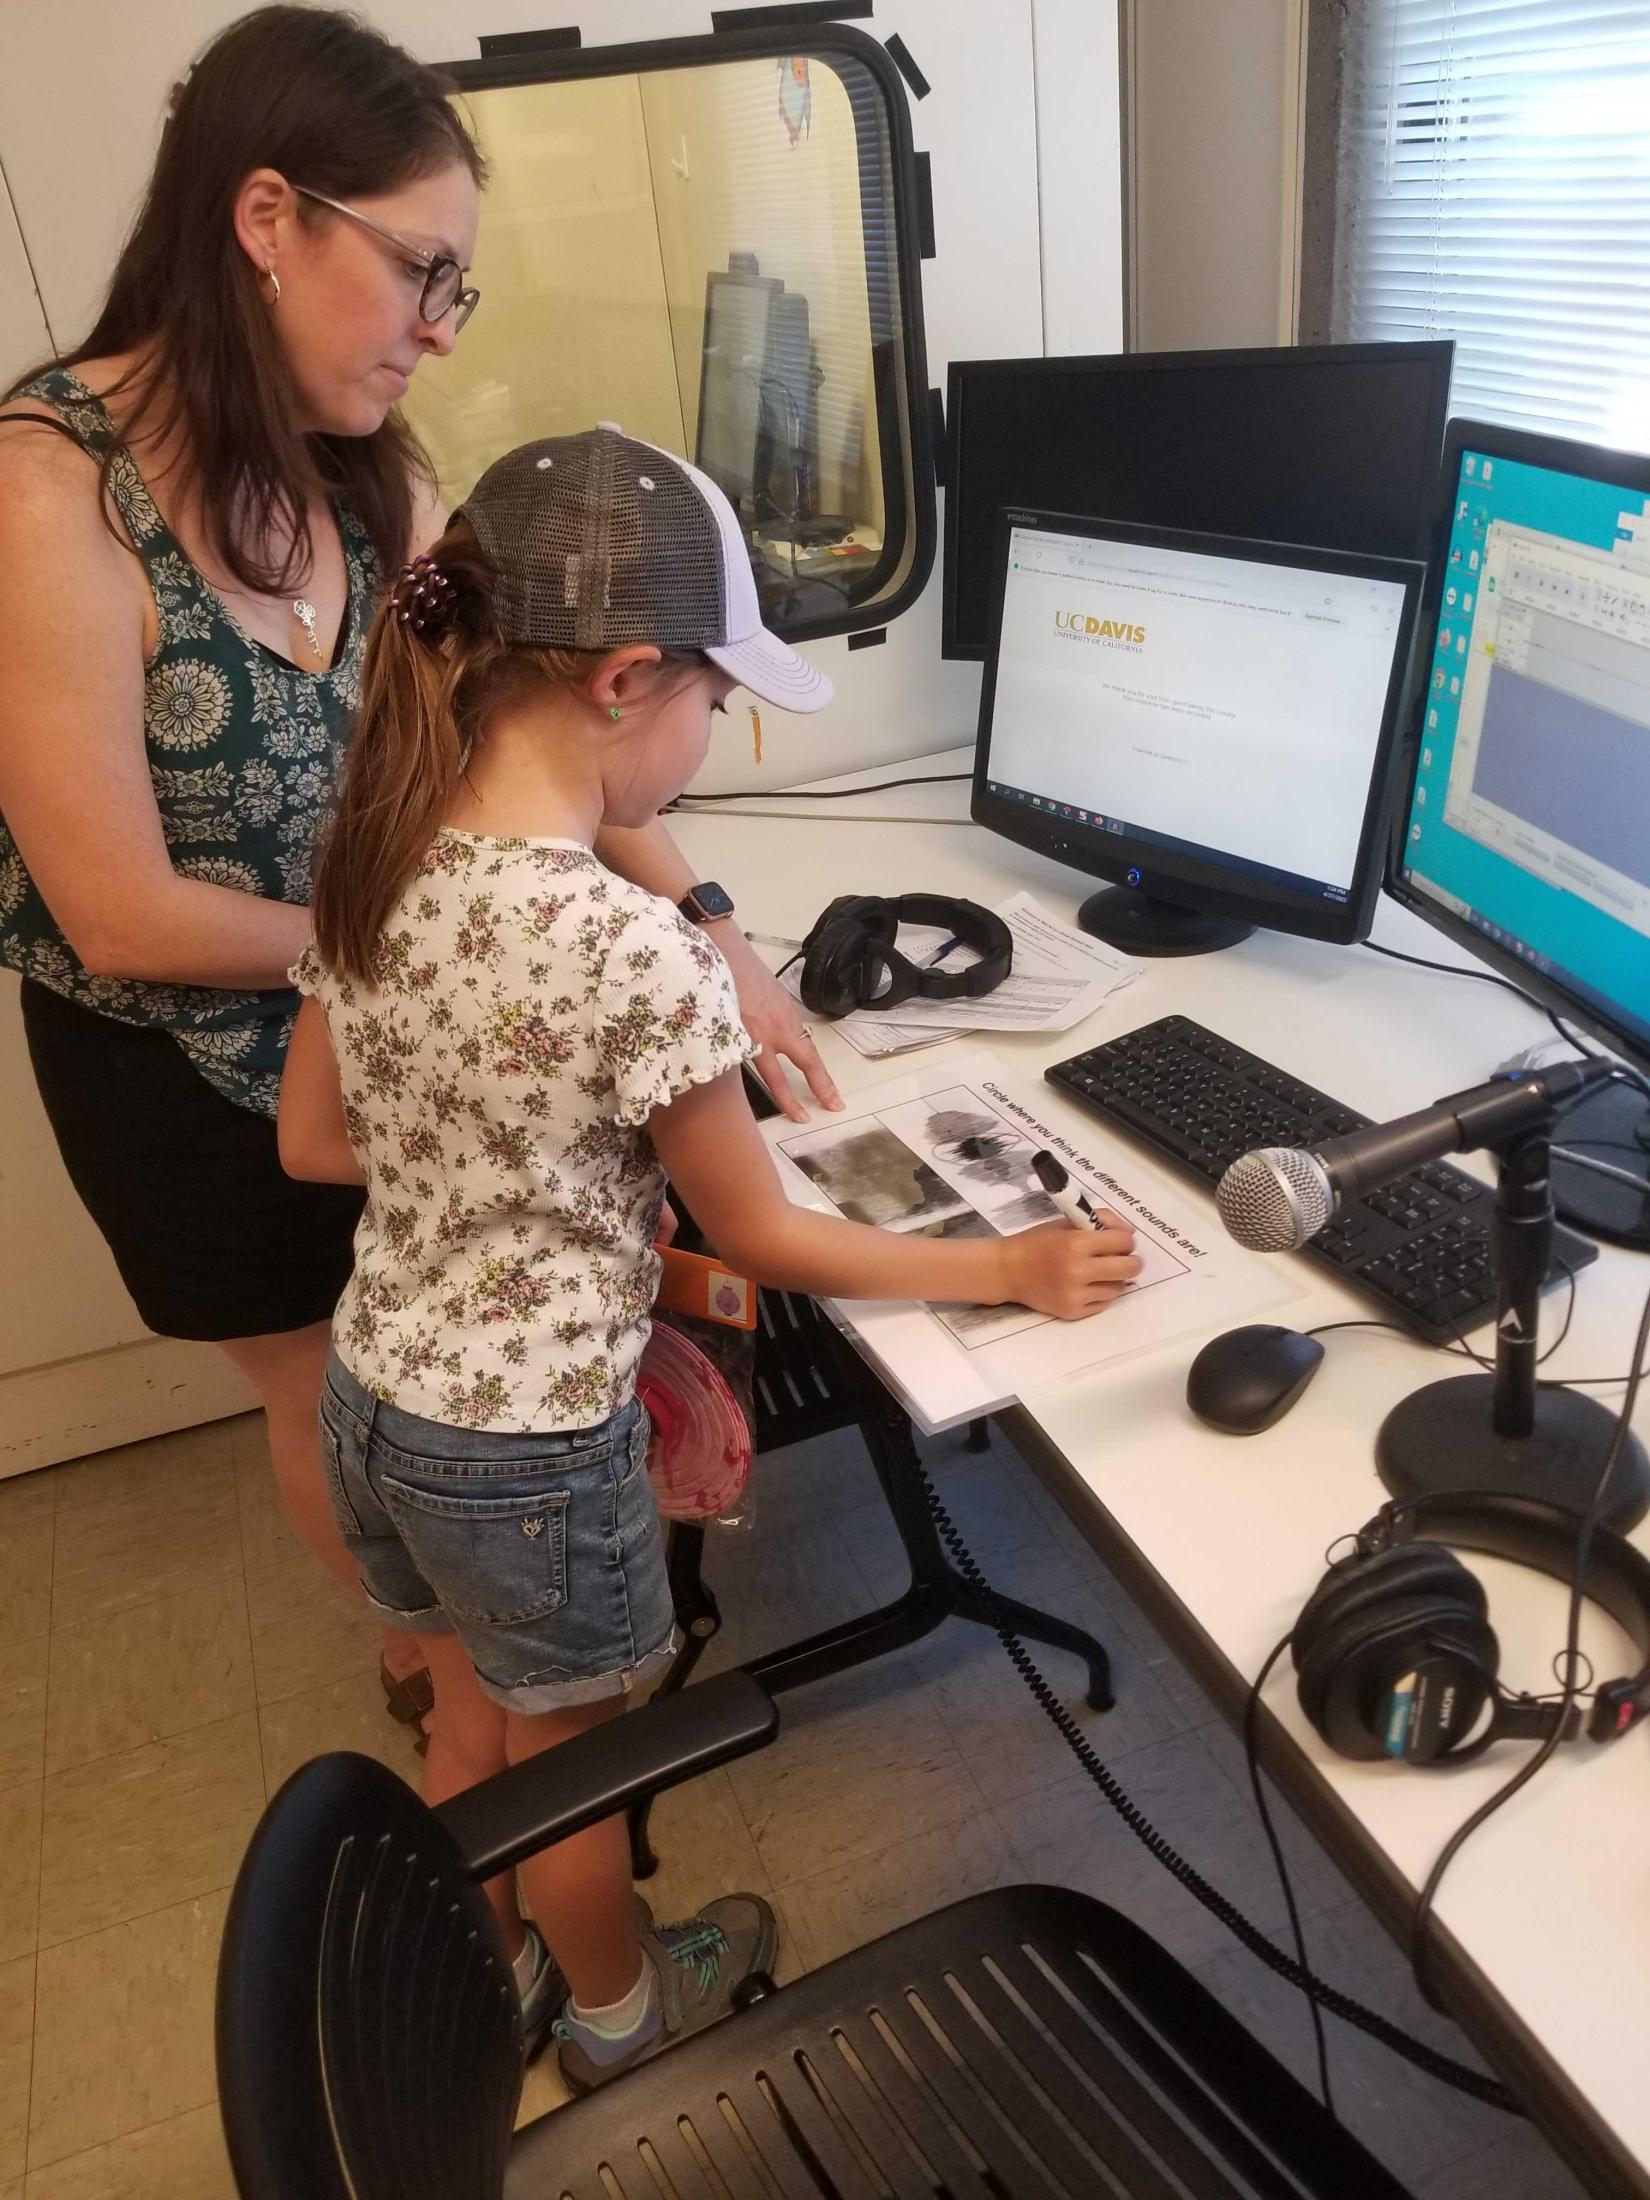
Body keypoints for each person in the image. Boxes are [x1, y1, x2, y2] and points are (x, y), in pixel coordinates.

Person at [0, 6, 835, 1747]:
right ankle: (459, 1694)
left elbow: (535, 739)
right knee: (335, 1387)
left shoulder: (368, 482)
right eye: (422, 277)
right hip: (190, 1065)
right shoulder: (42, 492)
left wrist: (708, 930)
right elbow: (120, 913)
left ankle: (490, 1681)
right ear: (266, 219)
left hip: (397, 994)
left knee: (451, 1350)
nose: (439, 338)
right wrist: (466, 948)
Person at [278, 426, 1142, 2084]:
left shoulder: (374, 852)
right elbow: (758, 1230)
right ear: (621, 685)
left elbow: (314, 1143)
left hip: (372, 1396)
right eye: (713, 705)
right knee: (576, 1759)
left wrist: (502, 1163)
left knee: (469, 1720)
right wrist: (1012, 1271)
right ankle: (619, 2026)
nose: (709, 742)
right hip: (525, 1453)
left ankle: (507, 1968)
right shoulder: (632, 948)